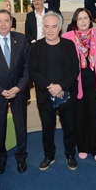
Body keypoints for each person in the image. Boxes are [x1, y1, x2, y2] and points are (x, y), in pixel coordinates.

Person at [0, 9, 30, 174]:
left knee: (21, 127)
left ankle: (21, 157)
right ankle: (0, 159)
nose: (3, 24)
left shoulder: (21, 39)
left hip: (19, 91)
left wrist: (18, 87)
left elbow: (28, 67)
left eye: (6, 20)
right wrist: (1, 91)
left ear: (11, 22)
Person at [29, 11, 79, 171]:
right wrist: (50, 87)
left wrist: (61, 87)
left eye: (54, 26)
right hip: (45, 96)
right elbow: (33, 71)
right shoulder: (36, 47)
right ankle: (49, 155)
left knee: (69, 127)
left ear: (60, 28)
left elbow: (74, 69)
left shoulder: (68, 45)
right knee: (47, 128)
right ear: (43, 28)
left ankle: (70, 154)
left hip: (66, 94)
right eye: (47, 26)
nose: (50, 30)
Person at [62, 8, 96, 161]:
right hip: (76, 83)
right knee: (79, 117)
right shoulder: (66, 37)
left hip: (95, 81)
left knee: (94, 115)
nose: (83, 21)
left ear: (90, 19)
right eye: (79, 18)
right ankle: (83, 147)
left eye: (85, 18)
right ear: (75, 21)